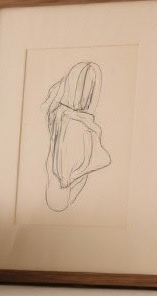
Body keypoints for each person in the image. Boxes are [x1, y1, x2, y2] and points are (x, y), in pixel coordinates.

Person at [42, 61, 111, 211]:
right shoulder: (76, 124)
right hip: (60, 191)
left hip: (60, 187)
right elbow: (104, 159)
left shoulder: (61, 114)